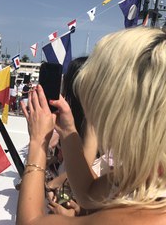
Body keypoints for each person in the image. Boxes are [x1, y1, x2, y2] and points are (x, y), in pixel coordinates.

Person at [17, 27, 166, 224]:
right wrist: (68, 130)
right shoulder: (151, 172)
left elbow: (30, 222)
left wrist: (38, 142)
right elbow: (88, 193)